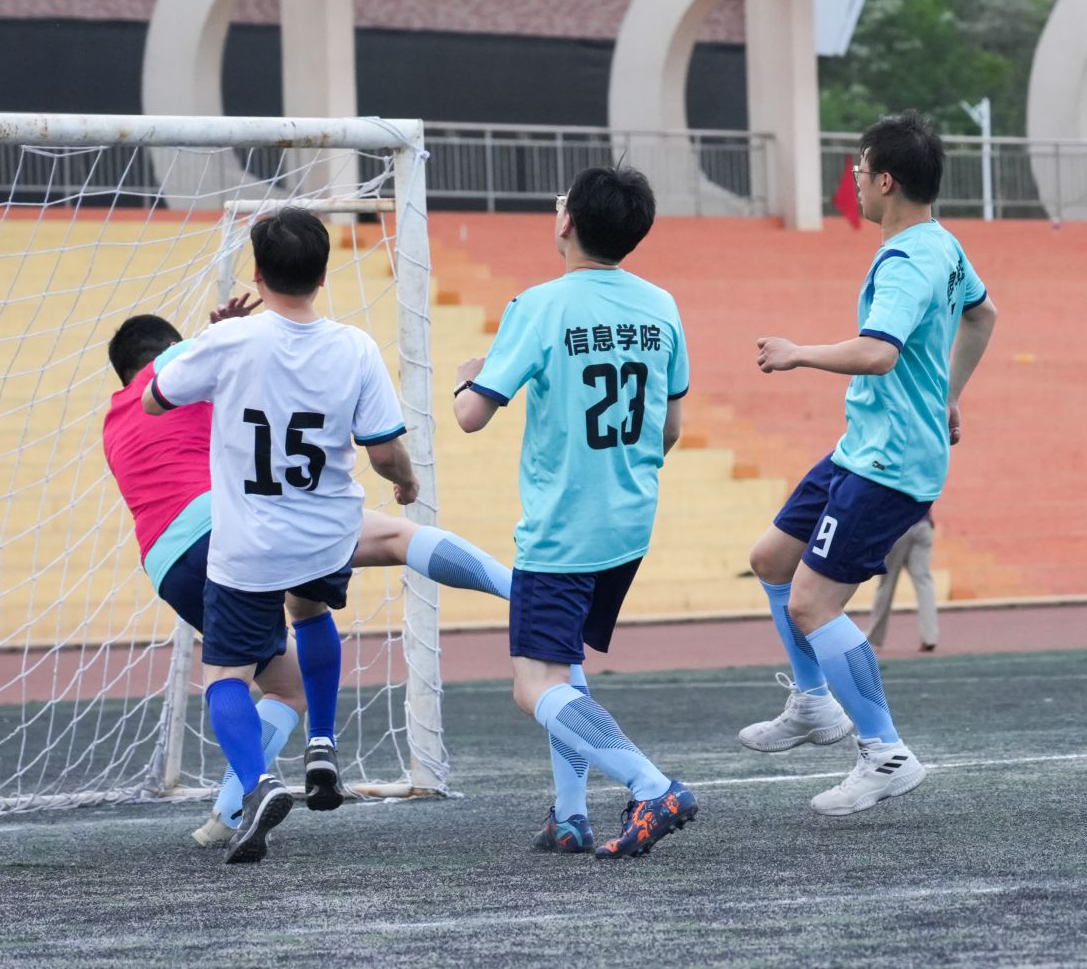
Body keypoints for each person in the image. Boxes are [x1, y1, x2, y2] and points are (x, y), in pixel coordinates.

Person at [102, 297, 514, 849]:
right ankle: (521, 591)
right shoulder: (193, 357)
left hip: (168, 563)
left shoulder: (115, 416)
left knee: (280, 685)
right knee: (392, 539)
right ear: (169, 347)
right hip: (237, 524)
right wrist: (228, 333)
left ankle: (234, 809)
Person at [144, 207, 420, 863]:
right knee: (310, 608)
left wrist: (213, 338)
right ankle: (322, 741)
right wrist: (406, 483)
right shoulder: (355, 346)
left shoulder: (231, 340)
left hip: (249, 545)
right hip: (325, 533)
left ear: (257, 274)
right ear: (323, 275)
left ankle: (259, 782)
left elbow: (156, 398)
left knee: (226, 674)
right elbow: (385, 452)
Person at [742, 111, 998, 816]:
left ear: (886, 180)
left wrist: (797, 353)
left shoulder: (910, 260)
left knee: (812, 602)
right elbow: (984, 316)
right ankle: (813, 704)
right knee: (771, 559)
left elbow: (879, 351)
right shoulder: (943, 244)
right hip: (863, 444)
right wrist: (947, 395)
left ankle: (885, 752)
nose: (852, 179)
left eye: (858, 168)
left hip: (890, 461)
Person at [452, 166, 697, 859]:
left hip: (563, 527)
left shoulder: (539, 304)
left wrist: (470, 375)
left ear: (567, 223)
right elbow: (672, 427)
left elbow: (471, 416)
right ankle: (570, 815)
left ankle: (653, 786)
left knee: (534, 685)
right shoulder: (662, 305)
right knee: (563, 663)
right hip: (629, 519)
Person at [866, 514, 937, 653]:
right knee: (924, 582)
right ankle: (930, 637)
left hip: (898, 526)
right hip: (924, 525)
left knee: (886, 583)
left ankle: (874, 638)